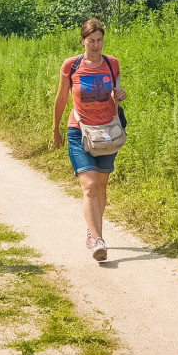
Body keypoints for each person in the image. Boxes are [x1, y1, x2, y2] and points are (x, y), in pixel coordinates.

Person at [52, 18, 127, 262]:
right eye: (91, 41)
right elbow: (62, 97)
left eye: (100, 40)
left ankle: (92, 229)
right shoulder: (71, 65)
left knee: (102, 186)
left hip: (107, 132)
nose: (96, 45)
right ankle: (98, 239)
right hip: (79, 132)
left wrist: (120, 94)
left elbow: (115, 91)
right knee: (90, 186)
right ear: (83, 41)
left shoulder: (111, 63)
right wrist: (56, 129)